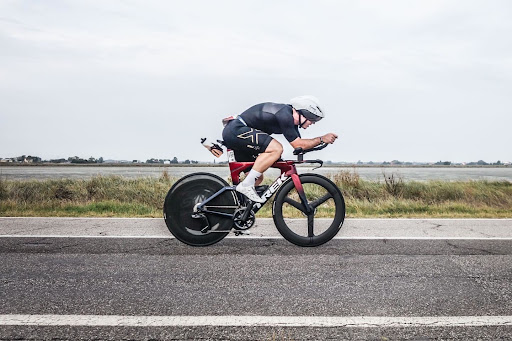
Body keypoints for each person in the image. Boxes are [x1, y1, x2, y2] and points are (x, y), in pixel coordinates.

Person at [222, 95, 338, 203]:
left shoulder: (290, 120)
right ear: (303, 113)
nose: (312, 123)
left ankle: (239, 209)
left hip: (238, 133)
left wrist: (317, 143)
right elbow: (299, 144)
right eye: (312, 119)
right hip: (236, 130)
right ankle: (246, 185)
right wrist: (321, 139)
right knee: (276, 149)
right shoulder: (285, 115)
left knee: (257, 178)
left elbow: (300, 146)